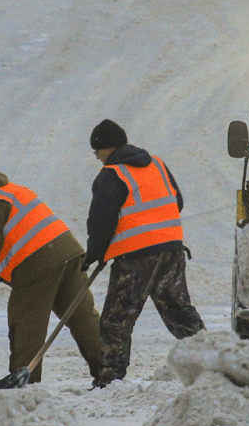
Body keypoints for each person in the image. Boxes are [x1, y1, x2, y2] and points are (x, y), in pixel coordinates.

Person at [0, 160, 102, 383]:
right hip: (68, 253)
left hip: (36, 264)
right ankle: (109, 370)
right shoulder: (12, 190)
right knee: (82, 318)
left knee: (26, 325)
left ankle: (24, 385)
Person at [83, 119, 204, 388]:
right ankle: (212, 361)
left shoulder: (111, 174)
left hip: (135, 258)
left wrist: (94, 253)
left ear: (106, 148)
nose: (97, 158)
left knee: (117, 319)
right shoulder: (157, 165)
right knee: (179, 312)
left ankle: (110, 380)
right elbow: (177, 201)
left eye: (97, 152)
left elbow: (101, 221)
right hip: (171, 249)